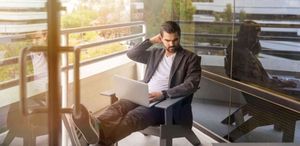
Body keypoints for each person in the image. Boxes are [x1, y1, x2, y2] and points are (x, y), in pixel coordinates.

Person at [71, 21, 202, 145]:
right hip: (143, 94)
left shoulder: (190, 58)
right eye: (167, 40)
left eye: (175, 40)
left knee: (133, 117)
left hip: (165, 104)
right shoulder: (156, 53)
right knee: (117, 107)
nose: (171, 44)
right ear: (161, 38)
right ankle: (95, 127)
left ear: (179, 37)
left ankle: (97, 138)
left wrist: (164, 94)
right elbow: (131, 54)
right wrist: (151, 41)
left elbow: (191, 84)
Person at [224, 20, 296, 92]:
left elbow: (262, 78)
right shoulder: (243, 57)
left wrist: (280, 81)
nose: (256, 41)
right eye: (253, 37)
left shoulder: (238, 49)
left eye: (257, 37)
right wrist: (283, 83)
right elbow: (262, 83)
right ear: (244, 36)